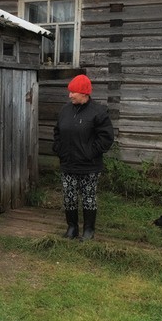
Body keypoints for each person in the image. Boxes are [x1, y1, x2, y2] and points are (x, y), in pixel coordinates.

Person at [52, 74, 114, 240]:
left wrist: (90, 153)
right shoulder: (65, 111)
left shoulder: (98, 112)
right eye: (70, 92)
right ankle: (72, 228)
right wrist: (59, 149)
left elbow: (106, 138)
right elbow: (57, 132)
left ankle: (88, 230)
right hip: (68, 165)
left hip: (89, 166)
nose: (70, 95)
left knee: (88, 198)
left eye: (73, 92)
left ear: (84, 93)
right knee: (69, 197)